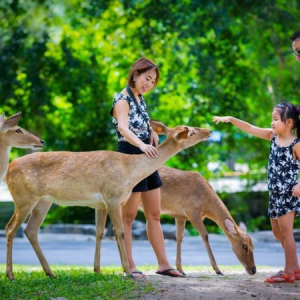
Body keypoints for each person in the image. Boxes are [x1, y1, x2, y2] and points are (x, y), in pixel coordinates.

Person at [110, 57, 184, 278]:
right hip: (130, 159)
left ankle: (164, 264)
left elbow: (141, 122)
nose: (149, 84)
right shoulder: (122, 99)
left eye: (152, 81)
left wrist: (151, 132)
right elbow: (123, 128)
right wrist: (142, 144)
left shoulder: (140, 99)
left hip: (148, 159)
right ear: (135, 74)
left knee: (154, 214)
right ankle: (129, 266)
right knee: (128, 216)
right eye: (146, 79)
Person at [213, 102, 300, 283]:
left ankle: (288, 271)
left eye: (276, 119)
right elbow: (250, 128)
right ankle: (295, 268)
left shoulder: (296, 144)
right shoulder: (272, 137)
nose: (272, 123)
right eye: (272, 119)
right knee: (277, 232)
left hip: (287, 194)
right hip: (274, 194)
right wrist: (230, 119)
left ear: (289, 122)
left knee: (287, 233)